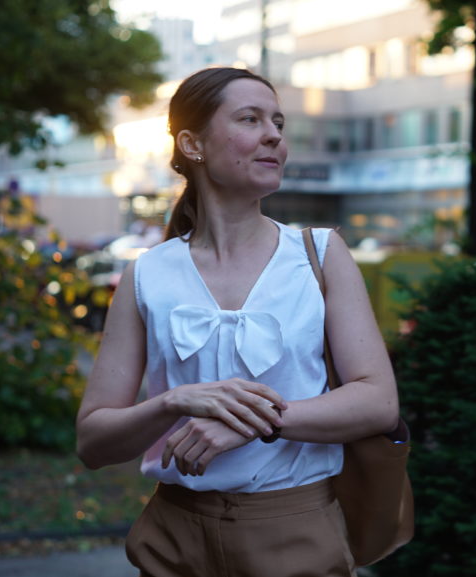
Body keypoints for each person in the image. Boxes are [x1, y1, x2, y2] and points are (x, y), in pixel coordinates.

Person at [75, 66, 400, 577]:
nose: (273, 134)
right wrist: (173, 402)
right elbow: (93, 443)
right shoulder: (147, 274)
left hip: (297, 535)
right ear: (193, 144)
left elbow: (378, 401)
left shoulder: (320, 254)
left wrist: (254, 423)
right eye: (250, 119)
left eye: (278, 122)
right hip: (172, 541)